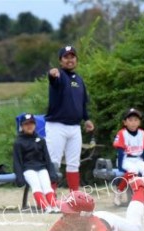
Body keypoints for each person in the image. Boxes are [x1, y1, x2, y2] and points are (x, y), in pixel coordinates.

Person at [28, 175, 144, 231]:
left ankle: (140, 188)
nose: (64, 214)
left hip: (112, 224)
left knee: (136, 229)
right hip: (100, 220)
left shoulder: (94, 224)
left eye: (68, 211)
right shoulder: (64, 222)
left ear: (81, 215)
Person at [45, 45, 95, 193]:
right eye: (66, 57)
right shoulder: (59, 76)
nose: (69, 60)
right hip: (57, 126)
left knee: (74, 164)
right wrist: (51, 74)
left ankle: (75, 198)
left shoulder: (79, 80)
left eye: (72, 57)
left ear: (76, 60)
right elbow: (53, 79)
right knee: (54, 163)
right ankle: (50, 199)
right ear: (60, 61)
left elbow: (82, 103)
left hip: (75, 127)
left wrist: (87, 119)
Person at [13, 113, 59, 213]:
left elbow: (47, 158)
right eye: (26, 124)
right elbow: (17, 161)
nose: (29, 126)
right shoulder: (18, 142)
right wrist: (19, 176)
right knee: (36, 186)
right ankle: (44, 207)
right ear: (22, 126)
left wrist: (52, 173)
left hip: (42, 168)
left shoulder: (41, 140)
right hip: (28, 169)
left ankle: (54, 206)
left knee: (47, 187)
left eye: (32, 123)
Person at [112, 107, 144, 206]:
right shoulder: (122, 133)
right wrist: (120, 166)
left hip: (138, 159)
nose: (133, 122)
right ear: (125, 122)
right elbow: (120, 151)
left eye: (136, 120)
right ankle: (118, 191)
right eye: (130, 120)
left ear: (139, 122)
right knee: (133, 171)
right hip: (126, 159)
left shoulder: (142, 133)